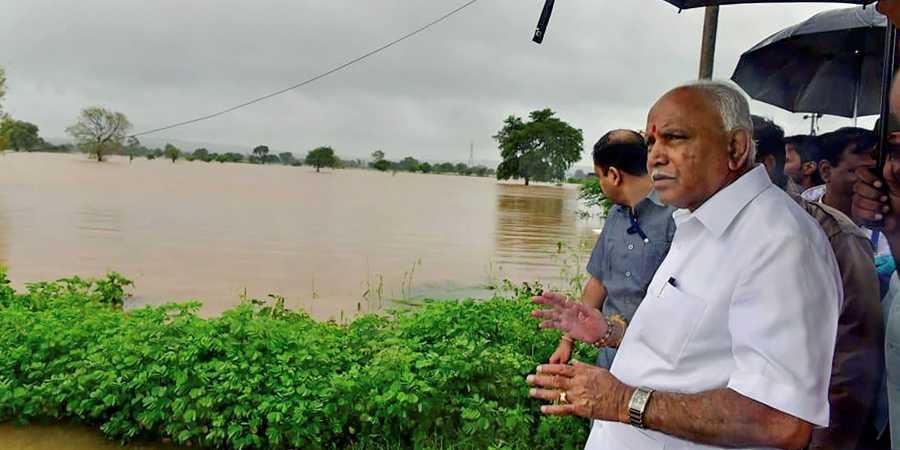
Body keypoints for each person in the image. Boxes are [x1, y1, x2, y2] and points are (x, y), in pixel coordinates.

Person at [527, 80, 842, 450]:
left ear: (735, 147)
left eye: (674, 138)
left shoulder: (780, 244)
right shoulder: (695, 223)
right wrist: (609, 334)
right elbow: (692, 356)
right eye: (651, 142)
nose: (654, 157)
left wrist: (621, 400)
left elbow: (780, 421)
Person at [754, 116, 885, 449]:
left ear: (763, 165)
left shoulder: (833, 236)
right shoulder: (701, 235)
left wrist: (828, 442)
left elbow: (852, 358)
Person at [548, 129, 675, 371]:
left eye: (600, 176)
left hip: (656, 364)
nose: (601, 184)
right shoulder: (615, 216)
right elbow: (598, 283)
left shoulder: (677, 216)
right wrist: (567, 341)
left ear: (614, 175)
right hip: (611, 359)